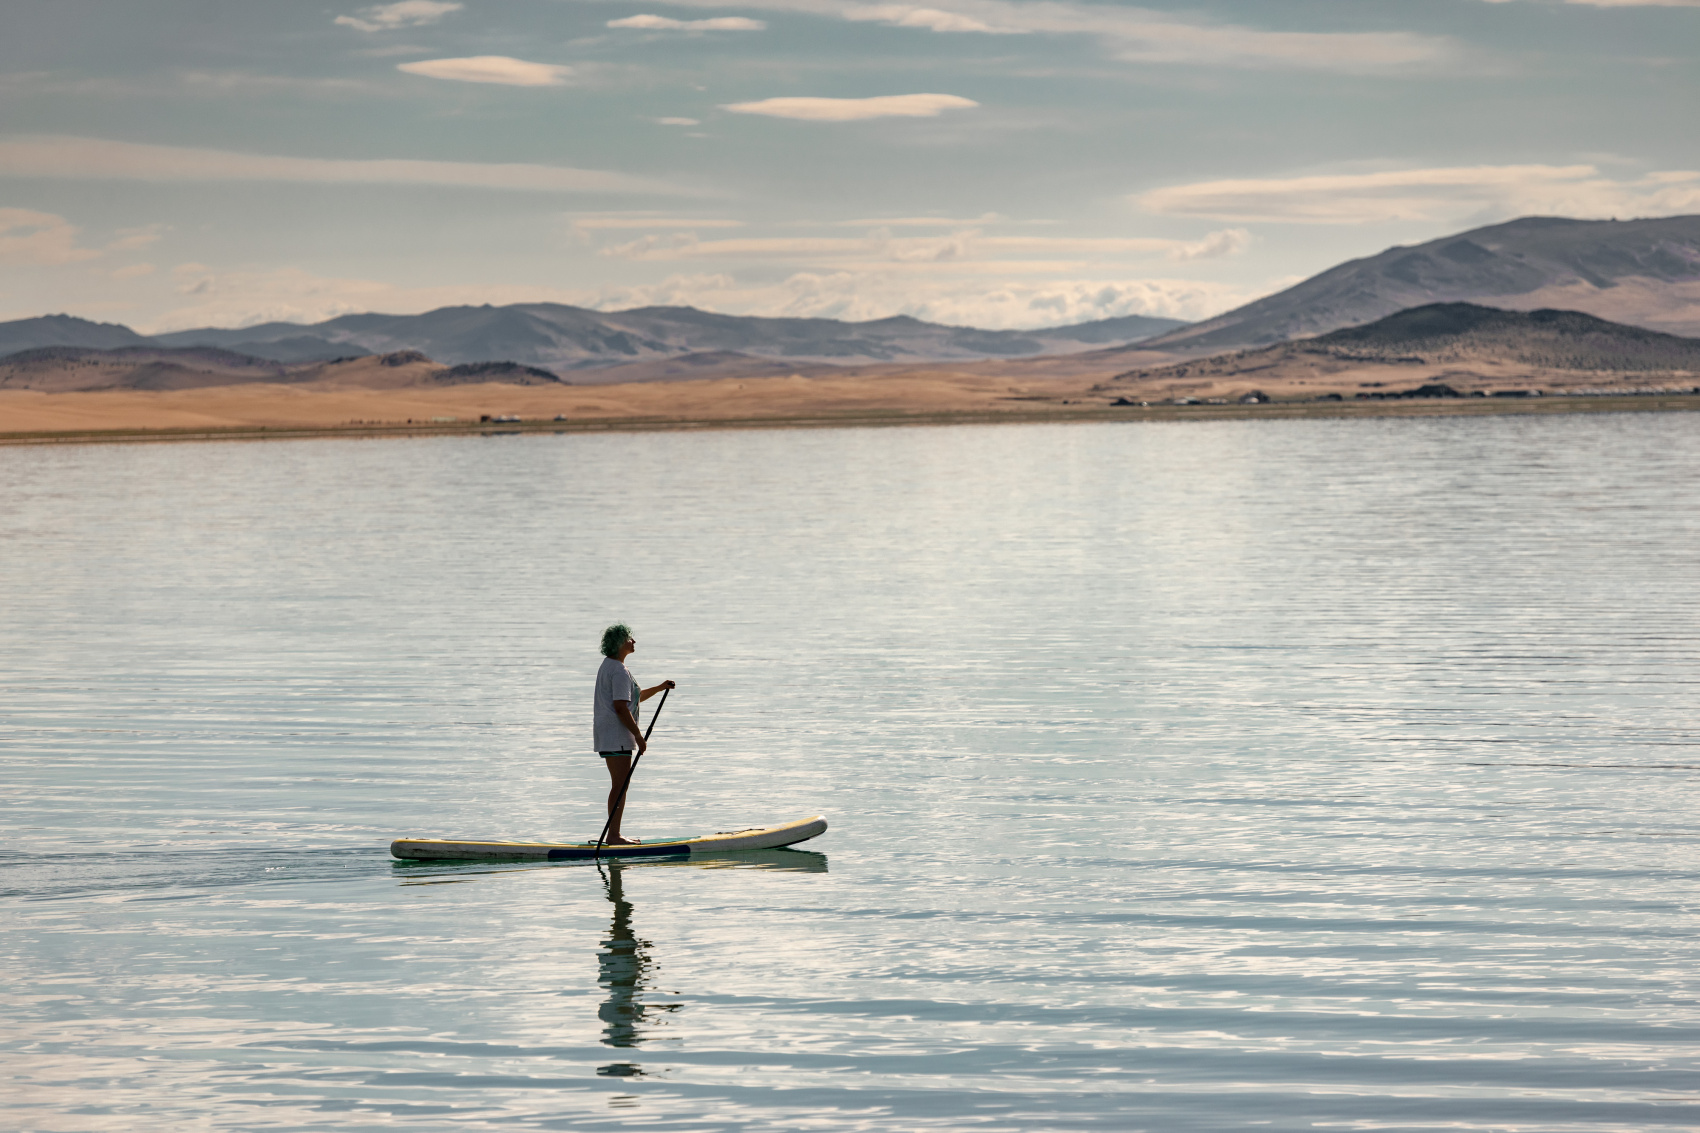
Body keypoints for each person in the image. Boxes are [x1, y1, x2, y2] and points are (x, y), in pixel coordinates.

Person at [593, 623, 675, 845]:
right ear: (620, 643)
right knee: (620, 786)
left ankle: (613, 834)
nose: (634, 641)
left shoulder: (609, 666)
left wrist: (659, 688)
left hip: (609, 735)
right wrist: (638, 736)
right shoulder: (618, 671)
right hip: (617, 736)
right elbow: (620, 707)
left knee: (620, 785)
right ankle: (614, 836)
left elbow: (632, 699)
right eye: (630, 638)